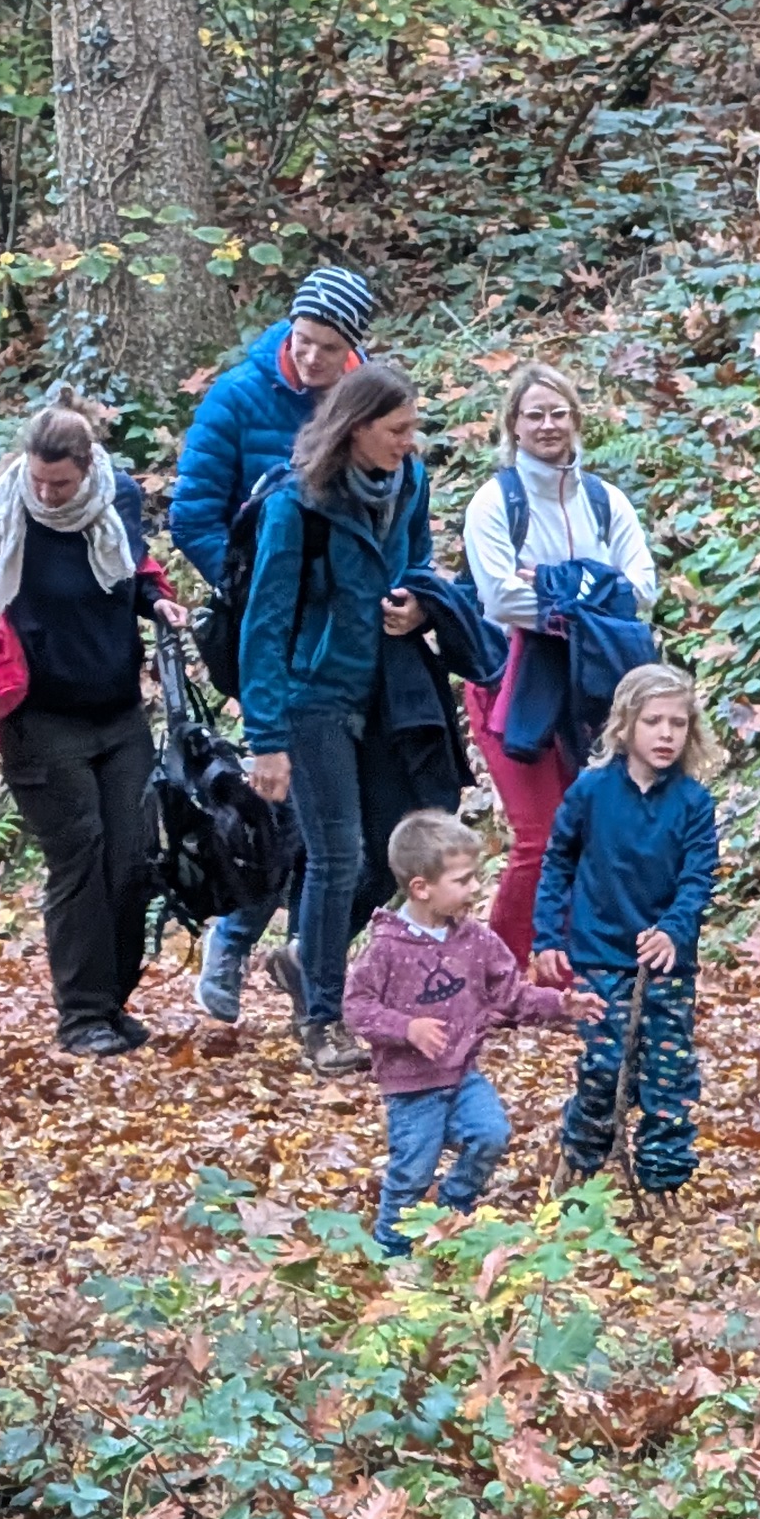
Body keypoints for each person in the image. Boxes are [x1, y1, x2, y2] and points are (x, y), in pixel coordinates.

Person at [238, 362, 469, 1077]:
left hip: (388, 689)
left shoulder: (412, 483)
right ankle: (322, 1020)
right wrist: (266, 740)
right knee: (337, 856)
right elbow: (265, 625)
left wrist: (419, 604)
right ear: (355, 428)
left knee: (398, 843)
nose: (409, 442)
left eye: (413, 428)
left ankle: (309, 954)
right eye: (397, 431)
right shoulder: (297, 505)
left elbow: (421, 562)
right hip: (313, 697)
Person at [169, 264, 375, 1024]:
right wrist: (256, 585)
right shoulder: (237, 398)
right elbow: (192, 515)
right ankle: (238, 933)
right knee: (282, 791)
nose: (314, 359)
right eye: (304, 341)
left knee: (339, 818)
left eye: (329, 346)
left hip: (346, 631)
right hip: (262, 628)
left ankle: (294, 950)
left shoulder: (363, 401)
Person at [0, 404, 189, 1056]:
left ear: (86, 470)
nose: (46, 493)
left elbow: (132, 576)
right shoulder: (6, 513)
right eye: (38, 480)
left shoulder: (115, 499)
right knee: (80, 854)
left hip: (118, 709)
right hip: (39, 715)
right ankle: (81, 1014)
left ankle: (112, 1000)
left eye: (59, 484)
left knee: (135, 858)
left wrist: (159, 603)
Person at [460, 365, 660, 956]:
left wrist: (553, 586)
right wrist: (596, 592)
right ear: (513, 427)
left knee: (592, 831)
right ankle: (500, 972)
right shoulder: (496, 503)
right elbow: (499, 597)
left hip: (594, 684)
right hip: (512, 681)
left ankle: (570, 968)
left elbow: (644, 588)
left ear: (576, 420)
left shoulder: (605, 501)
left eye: (559, 413)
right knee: (539, 836)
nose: (548, 425)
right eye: (534, 415)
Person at [340, 810, 589, 1256]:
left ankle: (452, 1213)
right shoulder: (386, 948)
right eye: (463, 881)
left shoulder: (475, 941)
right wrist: (407, 1028)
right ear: (421, 888)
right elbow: (357, 1008)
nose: (476, 889)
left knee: (491, 1134)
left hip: (462, 1076)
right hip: (411, 1087)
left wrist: (560, 1004)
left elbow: (511, 995)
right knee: (412, 1172)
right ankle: (391, 1251)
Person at [532, 663, 721, 1197]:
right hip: (598, 954)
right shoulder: (590, 792)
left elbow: (698, 878)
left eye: (678, 724)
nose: (665, 734)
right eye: (653, 721)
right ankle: (582, 1170)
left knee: (669, 1077)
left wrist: (673, 931)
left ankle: (664, 1183)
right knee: (604, 1065)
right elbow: (557, 865)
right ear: (625, 725)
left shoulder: (693, 803)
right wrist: (547, 937)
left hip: (665, 963)